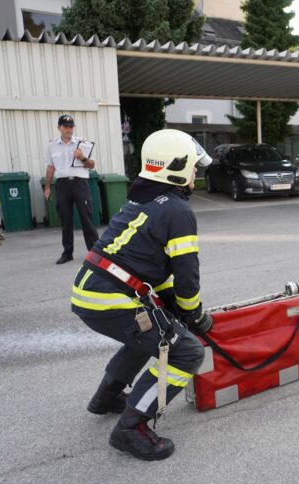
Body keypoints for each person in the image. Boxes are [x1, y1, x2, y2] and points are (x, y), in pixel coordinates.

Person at [71, 129, 213, 461]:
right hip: (113, 296)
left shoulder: (143, 198)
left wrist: (172, 309)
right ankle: (131, 429)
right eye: (193, 167)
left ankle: (106, 398)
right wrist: (195, 316)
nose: (196, 174)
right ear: (177, 167)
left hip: (91, 290)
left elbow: (150, 267)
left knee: (151, 336)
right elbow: (186, 279)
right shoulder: (177, 210)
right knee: (187, 352)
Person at [44, 115, 99, 264]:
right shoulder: (52, 146)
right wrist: (47, 187)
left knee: (86, 218)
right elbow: (50, 167)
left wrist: (82, 157)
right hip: (62, 185)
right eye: (65, 126)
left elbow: (92, 165)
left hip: (80, 183)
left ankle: (95, 253)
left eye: (70, 126)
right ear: (59, 128)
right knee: (65, 220)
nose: (68, 129)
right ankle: (67, 253)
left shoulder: (82, 143)